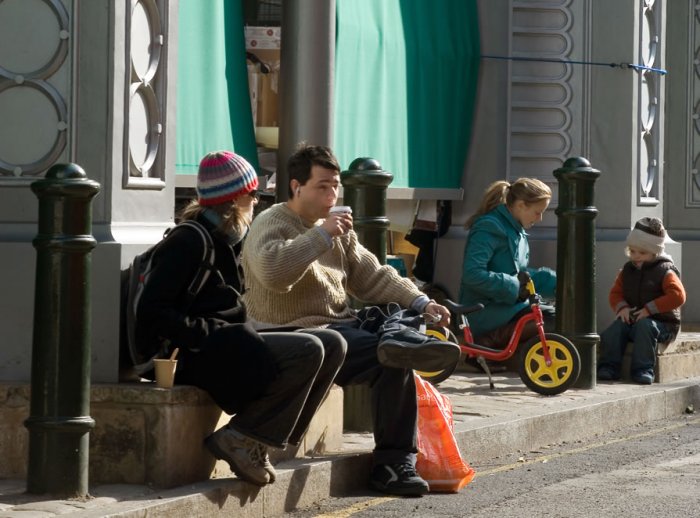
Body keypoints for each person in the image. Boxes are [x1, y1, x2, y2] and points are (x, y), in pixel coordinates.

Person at [241, 143, 455, 497]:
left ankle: (393, 463)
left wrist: (421, 301)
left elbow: (372, 275)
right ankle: (410, 352)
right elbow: (275, 273)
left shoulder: (338, 229)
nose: (331, 193)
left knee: (394, 345)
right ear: (296, 187)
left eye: (335, 185)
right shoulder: (272, 222)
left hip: (339, 330)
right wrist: (322, 234)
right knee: (392, 351)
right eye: (322, 186)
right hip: (293, 335)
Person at [134, 151, 347, 486]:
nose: (257, 202)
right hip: (188, 353)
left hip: (223, 340)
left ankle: (259, 438)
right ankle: (244, 437)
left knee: (333, 342)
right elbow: (152, 313)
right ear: (233, 201)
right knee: (308, 350)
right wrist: (211, 334)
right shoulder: (189, 240)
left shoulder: (229, 240)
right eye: (253, 195)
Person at [459, 178, 556, 348]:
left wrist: (556, 283)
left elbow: (520, 274)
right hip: (482, 309)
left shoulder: (516, 230)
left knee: (557, 318)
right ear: (520, 205)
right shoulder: (489, 226)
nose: (540, 218)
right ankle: (484, 344)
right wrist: (514, 287)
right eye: (537, 212)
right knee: (551, 320)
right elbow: (472, 274)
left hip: (506, 306)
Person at [597, 217, 686, 385]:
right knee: (615, 329)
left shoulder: (665, 271)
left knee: (646, 327)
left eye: (642, 253)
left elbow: (678, 295)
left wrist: (649, 309)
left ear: (655, 252)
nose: (636, 256)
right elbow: (615, 293)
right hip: (634, 318)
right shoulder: (627, 271)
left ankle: (643, 369)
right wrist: (622, 308)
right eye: (632, 251)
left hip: (663, 324)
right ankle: (608, 367)